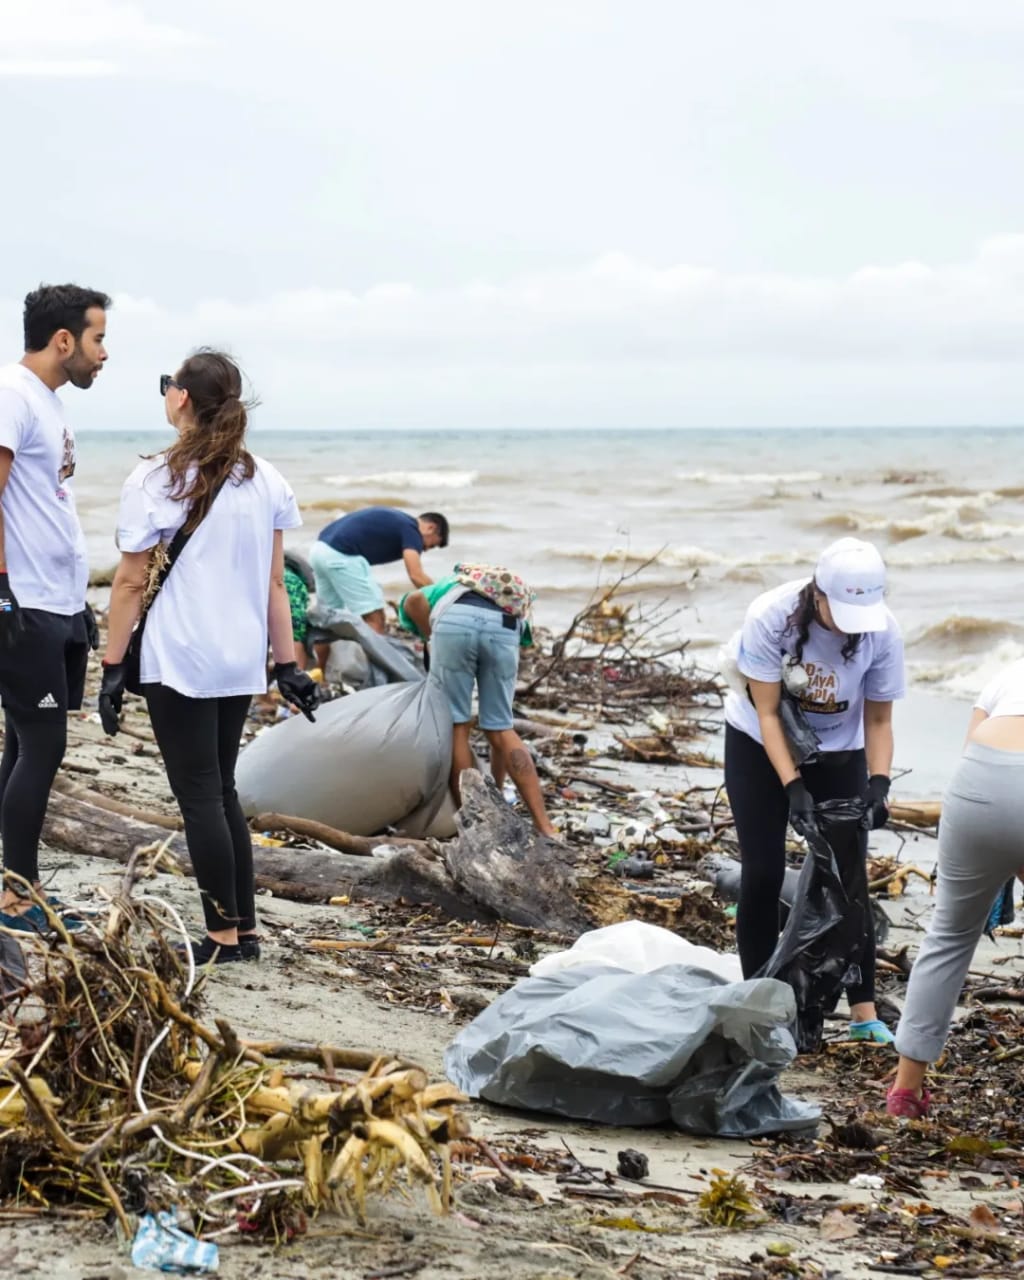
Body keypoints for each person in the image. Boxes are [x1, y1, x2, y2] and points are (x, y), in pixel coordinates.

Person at [98, 350, 319, 965]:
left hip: (182, 657)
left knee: (199, 795)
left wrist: (114, 665)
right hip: (239, 658)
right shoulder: (266, 478)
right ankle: (242, 930)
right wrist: (286, 664)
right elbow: (277, 584)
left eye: (168, 384)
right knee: (220, 791)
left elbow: (128, 582)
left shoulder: (155, 478)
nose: (166, 393)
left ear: (182, 400)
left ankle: (222, 937)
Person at [723, 537, 905, 1045]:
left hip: (839, 749)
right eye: (839, 612)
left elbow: (879, 715)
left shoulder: (882, 630)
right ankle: (758, 1001)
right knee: (763, 872)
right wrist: (794, 788)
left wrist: (879, 782)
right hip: (759, 742)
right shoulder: (770, 617)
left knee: (848, 878)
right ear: (817, 594)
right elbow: (766, 713)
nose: (849, 624)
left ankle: (864, 1013)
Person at [0, 284, 110, 932]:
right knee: (41, 743)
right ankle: (17, 897)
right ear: (63, 340)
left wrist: (78, 603)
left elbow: (48, 505)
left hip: (57, 602)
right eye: (98, 339)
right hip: (25, 603)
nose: (104, 355)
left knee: (25, 742)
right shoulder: (12, 394)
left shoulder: (45, 403)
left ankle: (17, 887)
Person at [888, 659, 1024, 1117]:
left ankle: (905, 1092)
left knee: (948, 937)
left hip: (976, 785)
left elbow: (970, 751)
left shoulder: (1011, 671)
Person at [399, 568, 556, 838]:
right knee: (501, 727)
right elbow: (523, 634)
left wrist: (430, 637)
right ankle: (546, 827)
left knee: (457, 725)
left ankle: (474, 824)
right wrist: (496, 785)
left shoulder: (447, 585)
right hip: (504, 625)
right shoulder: (508, 593)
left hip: (454, 623)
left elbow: (414, 601)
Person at [310, 506, 449, 639]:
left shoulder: (400, 520)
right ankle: (375, 663)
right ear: (431, 528)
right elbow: (416, 575)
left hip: (319, 550)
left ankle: (321, 664)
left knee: (327, 618)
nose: (424, 549)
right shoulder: (412, 530)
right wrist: (442, 600)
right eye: (431, 545)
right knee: (375, 618)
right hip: (341, 555)